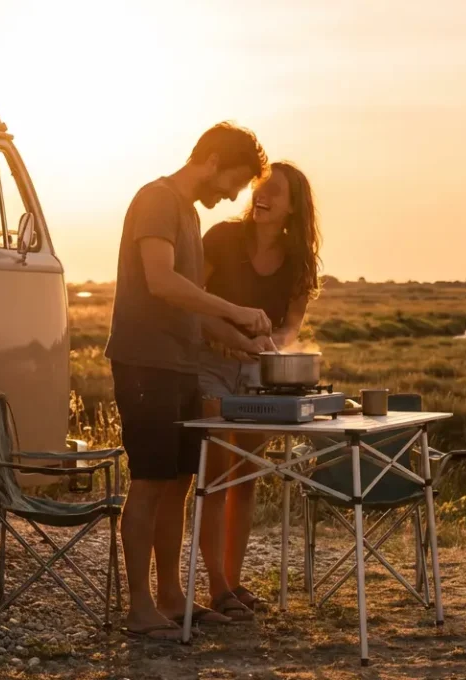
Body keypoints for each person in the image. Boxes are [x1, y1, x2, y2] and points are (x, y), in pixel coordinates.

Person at [106, 122, 273, 641]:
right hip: (145, 363)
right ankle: (139, 609)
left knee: (178, 484)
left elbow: (189, 308)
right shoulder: (156, 200)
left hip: (179, 364)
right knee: (150, 481)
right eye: (236, 182)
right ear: (213, 161)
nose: (232, 196)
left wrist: (242, 335)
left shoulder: (187, 215)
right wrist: (234, 307)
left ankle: (171, 597)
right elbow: (161, 282)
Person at [196, 162, 322, 621]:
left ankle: (231, 582)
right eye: (260, 185)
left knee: (243, 481)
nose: (262, 194)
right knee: (215, 478)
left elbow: (291, 327)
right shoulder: (221, 239)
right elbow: (191, 301)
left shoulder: (297, 261)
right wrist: (235, 340)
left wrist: (272, 348)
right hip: (210, 366)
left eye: (276, 190)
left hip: (257, 374)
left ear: (293, 207)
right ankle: (214, 587)